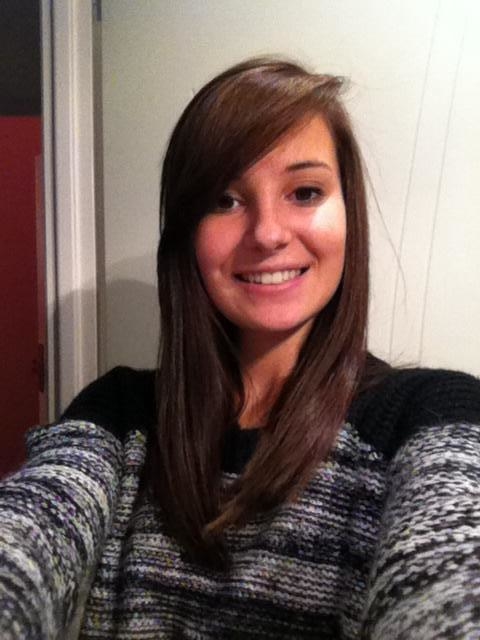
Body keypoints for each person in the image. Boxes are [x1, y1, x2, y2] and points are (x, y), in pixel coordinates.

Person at [1, 57, 480, 640]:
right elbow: (28, 537)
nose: (268, 233)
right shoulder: (120, 416)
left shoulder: (430, 416)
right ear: (187, 233)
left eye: (305, 192)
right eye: (225, 200)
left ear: (347, 214)